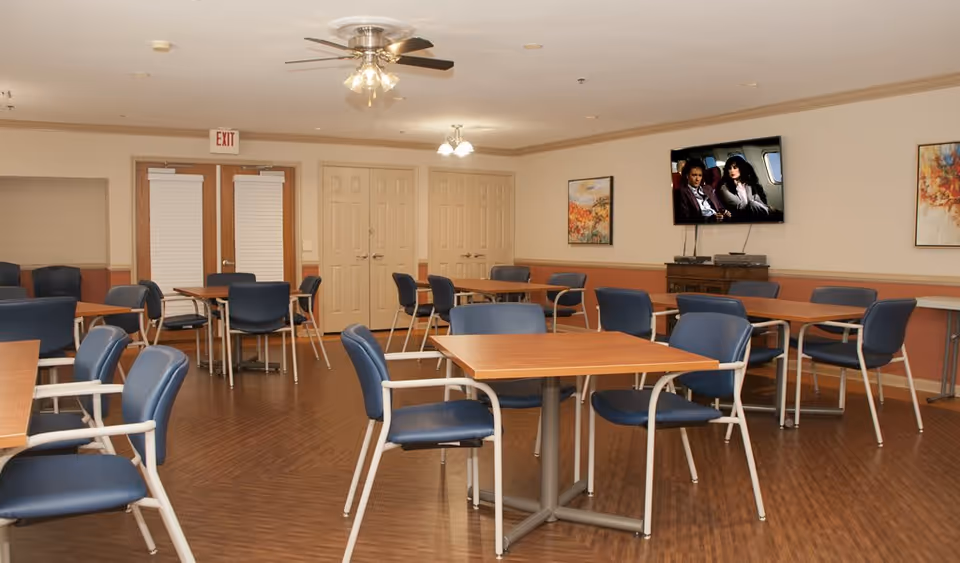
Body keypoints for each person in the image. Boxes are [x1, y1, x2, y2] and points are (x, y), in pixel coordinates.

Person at [717, 156, 782, 222]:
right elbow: (739, 207)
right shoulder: (724, 188)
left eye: (735, 167)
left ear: (742, 168)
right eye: (729, 168)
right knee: (753, 204)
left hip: (755, 213)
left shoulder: (748, 184)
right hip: (740, 216)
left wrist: (768, 208)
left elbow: (759, 201)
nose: (732, 171)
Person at [673, 158, 731, 223]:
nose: (697, 179)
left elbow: (718, 205)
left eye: (700, 175)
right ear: (687, 176)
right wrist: (710, 219)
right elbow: (686, 217)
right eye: (694, 175)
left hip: (718, 219)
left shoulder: (708, 189)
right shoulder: (682, 193)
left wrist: (724, 211)